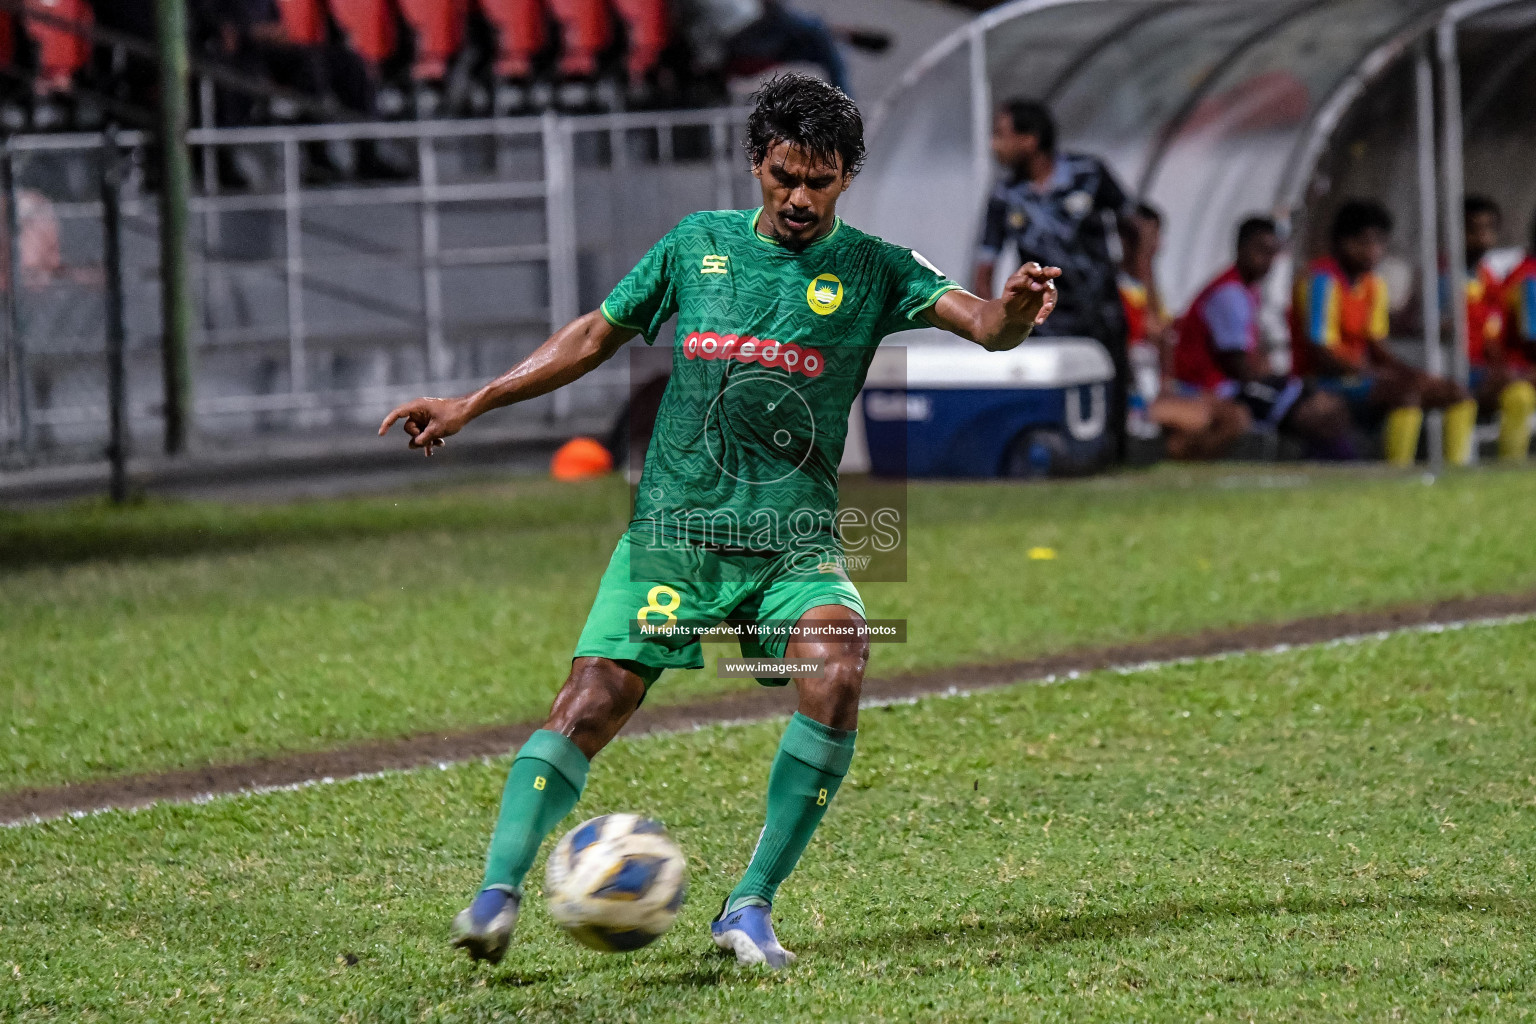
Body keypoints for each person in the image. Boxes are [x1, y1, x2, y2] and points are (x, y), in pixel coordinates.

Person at [379, 73, 1059, 970]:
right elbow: (593, 336)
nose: (800, 198)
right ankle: (496, 896)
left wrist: (1009, 316)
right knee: (590, 702)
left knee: (842, 661)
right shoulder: (695, 247)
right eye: (785, 176)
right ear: (756, 164)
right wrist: (475, 401)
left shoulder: (875, 267)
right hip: (677, 537)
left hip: (793, 547)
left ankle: (748, 908)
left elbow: (979, 322)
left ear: (847, 178)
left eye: (820, 180)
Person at [974, 99, 1134, 462]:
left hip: (1100, 310)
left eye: (1001, 134)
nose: (993, 144)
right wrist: (990, 318)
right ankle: (1058, 463)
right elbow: (985, 265)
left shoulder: (1088, 173)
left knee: (1112, 396)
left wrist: (1138, 280)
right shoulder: (1005, 195)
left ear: (1030, 140)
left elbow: (1136, 226)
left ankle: (1116, 465)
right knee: (1052, 403)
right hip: (1044, 319)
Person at [1291, 199, 1476, 467]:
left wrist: (1409, 373)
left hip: (1362, 376)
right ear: (1343, 242)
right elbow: (1321, 353)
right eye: (1365, 243)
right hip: (1320, 381)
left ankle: (1457, 472)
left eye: (1379, 243)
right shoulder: (1321, 281)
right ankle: (1396, 473)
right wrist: (1376, 374)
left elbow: (1376, 344)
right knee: (1405, 396)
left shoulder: (1372, 284)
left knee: (1454, 392)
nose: (1373, 251)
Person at [1175, 217, 1355, 459]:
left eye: (1273, 252)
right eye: (1261, 250)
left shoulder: (1248, 290)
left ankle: (1334, 462)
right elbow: (1239, 368)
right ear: (1240, 248)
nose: (1268, 260)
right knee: (1319, 411)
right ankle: (1337, 464)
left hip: (1234, 385)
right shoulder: (1229, 294)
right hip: (1214, 388)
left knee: (1324, 402)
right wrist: (1271, 378)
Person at [1120, 203, 1250, 460]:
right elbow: (1151, 331)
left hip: (1160, 389)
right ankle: (1155, 458)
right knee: (1202, 418)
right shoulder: (1115, 290)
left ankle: (1170, 461)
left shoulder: (1145, 288)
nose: (1155, 245)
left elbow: (1162, 334)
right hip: (1133, 398)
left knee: (1235, 417)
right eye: (1148, 238)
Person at [1461, 196, 1534, 462]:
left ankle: (1510, 469)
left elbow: (1493, 335)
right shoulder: (1527, 277)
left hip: (1491, 370)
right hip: (1460, 371)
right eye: (1473, 229)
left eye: (1489, 229)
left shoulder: (1489, 279)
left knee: (1520, 394)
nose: (1483, 237)